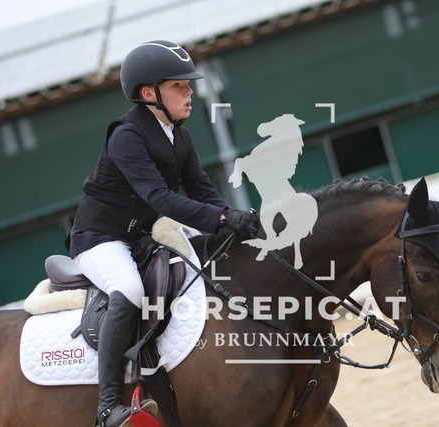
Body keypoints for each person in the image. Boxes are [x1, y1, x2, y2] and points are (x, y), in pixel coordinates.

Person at [66, 40, 257, 427]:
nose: (189, 93)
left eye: (188, 86)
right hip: (98, 239)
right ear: (149, 93)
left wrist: (236, 219)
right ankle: (108, 407)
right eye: (178, 86)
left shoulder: (179, 137)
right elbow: (160, 198)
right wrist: (221, 218)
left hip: (139, 239)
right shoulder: (126, 136)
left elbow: (201, 189)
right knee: (129, 289)